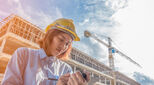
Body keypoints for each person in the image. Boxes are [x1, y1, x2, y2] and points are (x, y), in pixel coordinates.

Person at [1, 18, 90, 85]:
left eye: (67, 44)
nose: (63, 46)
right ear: (50, 36)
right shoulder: (24, 54)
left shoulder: (66, 69)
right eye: (61, 39)